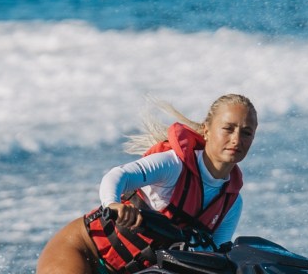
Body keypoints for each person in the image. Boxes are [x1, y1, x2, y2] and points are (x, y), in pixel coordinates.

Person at [36, 94, 258, 274]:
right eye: (228, 128)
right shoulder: (174, 165)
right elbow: (117, 176)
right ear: (207, 130)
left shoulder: (231, 203)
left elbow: (212, 259)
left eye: (246, 132)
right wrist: (112, 204)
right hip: (84, 250)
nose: (237, 139)